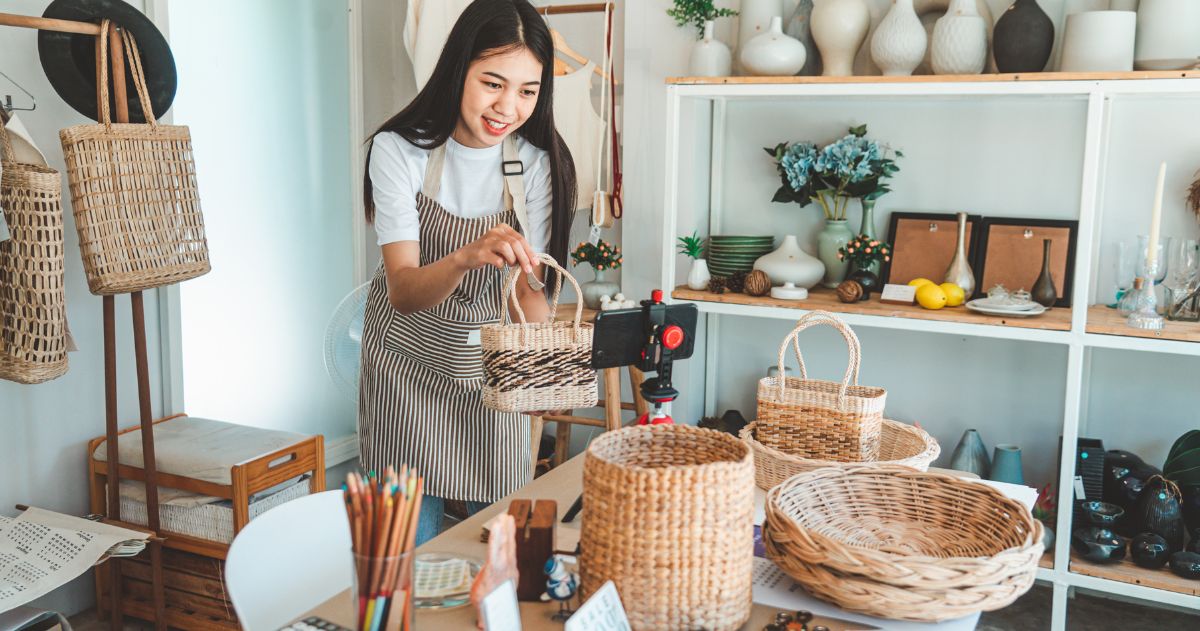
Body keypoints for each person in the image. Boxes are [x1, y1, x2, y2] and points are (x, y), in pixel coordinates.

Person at [358, 0, 576, 545]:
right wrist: (465, 256)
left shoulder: (536, 163)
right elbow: (403, 290)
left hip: (489, 372)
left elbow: (532, 292)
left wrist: (540, 358)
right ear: (460, 70)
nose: (508, 107)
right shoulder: (398, 151)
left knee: (499, 543)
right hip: (405, 374)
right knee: (407, 550)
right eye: (493, 83)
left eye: (528, 91)